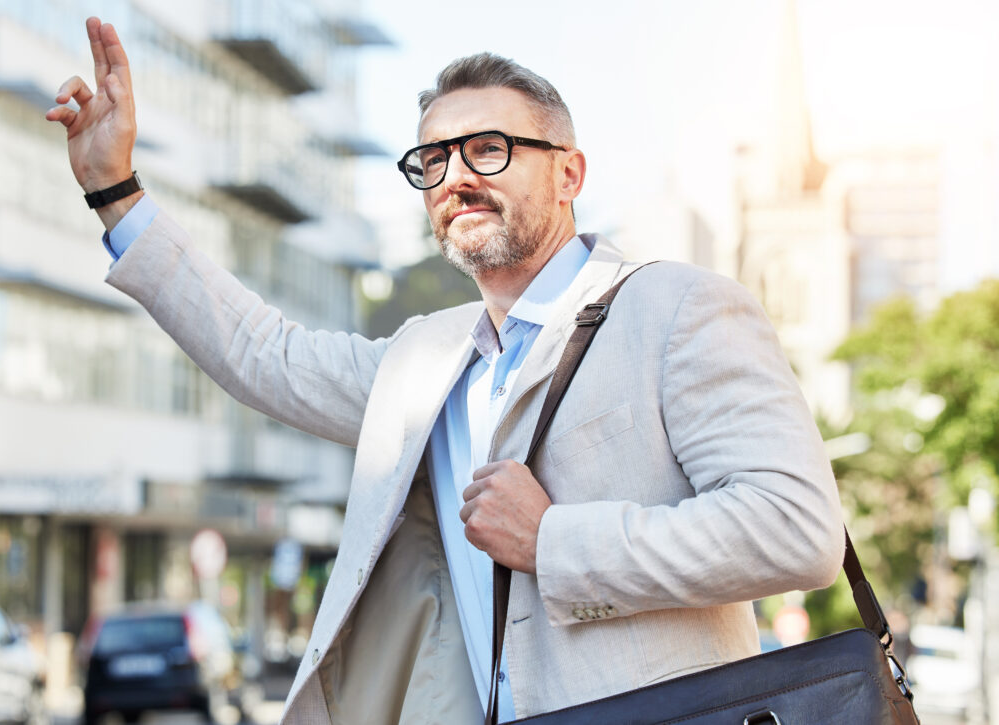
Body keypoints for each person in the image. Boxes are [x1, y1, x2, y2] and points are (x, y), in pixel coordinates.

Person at [47, 17, 845, 725]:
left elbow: (799, 530)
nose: (456, 175)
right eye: (433, 158)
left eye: (489, 149)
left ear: (569, 173)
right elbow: (264, 352)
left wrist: (554, 539)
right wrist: (117, 193)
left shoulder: (678, 308)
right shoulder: (425, 362)